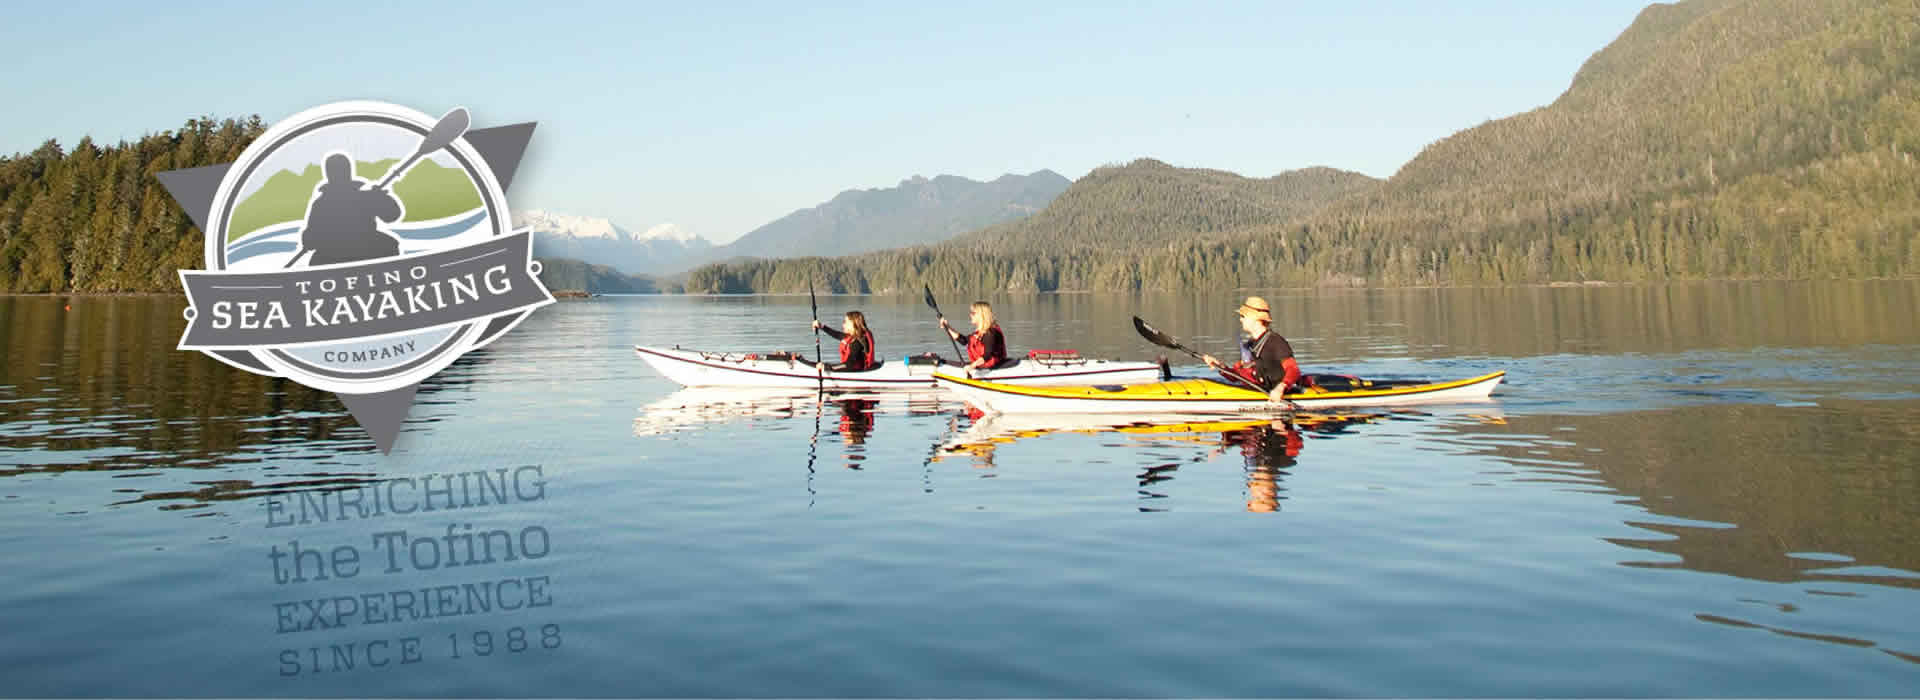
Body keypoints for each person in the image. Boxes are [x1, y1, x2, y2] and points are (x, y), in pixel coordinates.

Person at [299, 153, 403, 266]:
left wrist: (382, 199)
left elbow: (392, 215)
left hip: (366, 248)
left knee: (389, 244)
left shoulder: (321, 204)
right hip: (336, 253)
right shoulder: (322, 204)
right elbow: (310, 241)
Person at [1200, 296, 1301, 398]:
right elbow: (1237, 376)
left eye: (1243, 316)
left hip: (1282, 393)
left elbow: (1293, 369)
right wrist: (1220, 366)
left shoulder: (1276, 342)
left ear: (1256, 319)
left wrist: (1281, 388)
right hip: (1260, 392)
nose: (1240, 319)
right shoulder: (1250, 345)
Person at [938, 301, 1009, 375]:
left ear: (981, 315)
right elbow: (964, 341)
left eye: (973, 313)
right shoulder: (980, 332)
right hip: (983, 365)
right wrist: (947, 327)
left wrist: (971, 366)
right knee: (944, 362)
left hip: (995, 366)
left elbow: (987, 356)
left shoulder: (991, 333)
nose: (970, 315)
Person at [812, 311, 877, 372]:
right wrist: (821, 326)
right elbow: (837, 334)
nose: (843, 325)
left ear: (853, 324)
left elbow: (849, 364)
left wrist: (827, 367)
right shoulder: (853, 337)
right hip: (853, 368)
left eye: (845, 322)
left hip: (857, 371)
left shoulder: (857, 343)